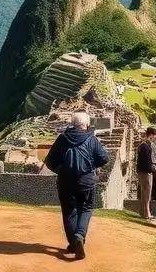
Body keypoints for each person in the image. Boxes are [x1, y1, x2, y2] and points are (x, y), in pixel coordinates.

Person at [45, 111, 109, 260]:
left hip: (65, 181)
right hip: (87, 181)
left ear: (72, 124)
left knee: (69, 212)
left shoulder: (62, 139)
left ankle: (73, 244)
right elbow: (104, 158)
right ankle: (79, 236)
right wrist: (92, 166)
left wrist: (59, 170)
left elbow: (50, 161)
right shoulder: (91, 139)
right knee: (86, 208)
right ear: (86, 124)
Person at [136, 126, 156, 220]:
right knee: (147, 193)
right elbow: (147, 162)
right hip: (146, 172)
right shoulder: (146, 146)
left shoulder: (144, 145)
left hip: (143, 171)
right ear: (151, 135)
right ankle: (147, 213)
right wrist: (153, 170)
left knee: (144, 193)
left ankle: (143, 212)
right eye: (155, 135)